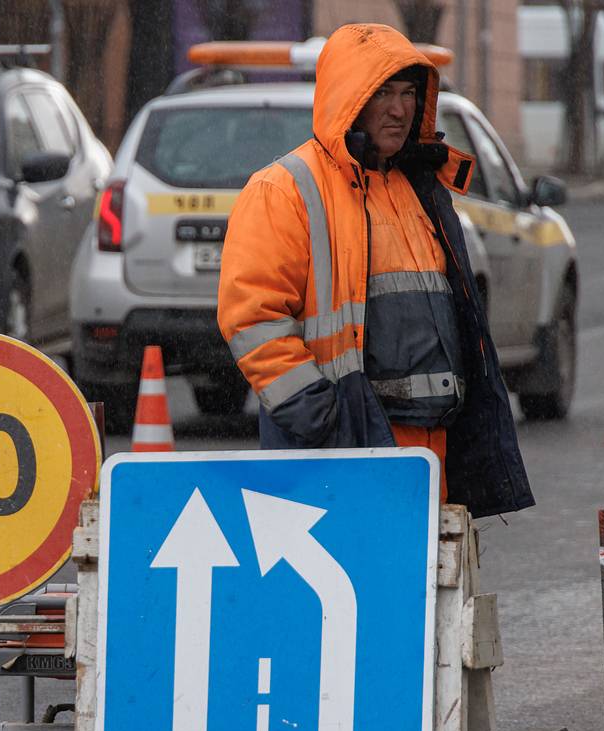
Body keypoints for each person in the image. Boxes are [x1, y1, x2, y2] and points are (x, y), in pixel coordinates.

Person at [217, 23, 533, 518]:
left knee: (422, 567)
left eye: (408, 93)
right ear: (348, 99)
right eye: (382, 93)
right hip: (342, 446)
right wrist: (317, 415)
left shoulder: (418, 186)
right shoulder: (284, 190)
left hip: (429, 449)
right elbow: (252, 318)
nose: (399, 109)